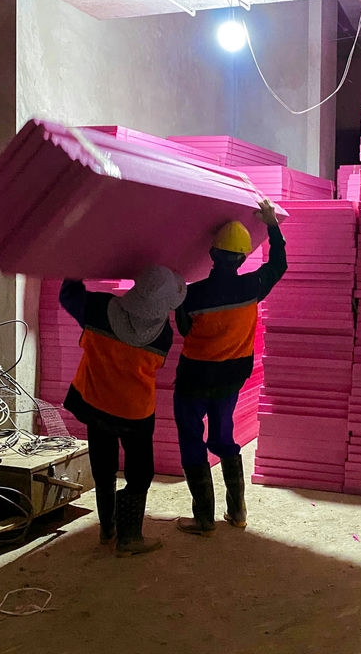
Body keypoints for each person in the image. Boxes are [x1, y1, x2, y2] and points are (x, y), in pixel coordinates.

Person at [174, 198, 287, 535]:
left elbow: (183, 329)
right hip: (231, 377)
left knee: (191, 439)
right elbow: (279, 264)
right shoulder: (252, 286)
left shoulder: (191, 295)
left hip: (194, 378)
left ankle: (203, 519)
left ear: (212, 254)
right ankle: (237, 513)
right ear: (242, 257)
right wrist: (271, 225)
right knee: (224, 437)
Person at [59, 265, 187, 556]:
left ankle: (107, 530)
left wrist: (79, 265)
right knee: (140, 474)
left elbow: (68, 295)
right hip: (135, 413)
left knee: (103, 467)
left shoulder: (98, 307)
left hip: (96, 403)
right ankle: (129, 538)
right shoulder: (162, 335)